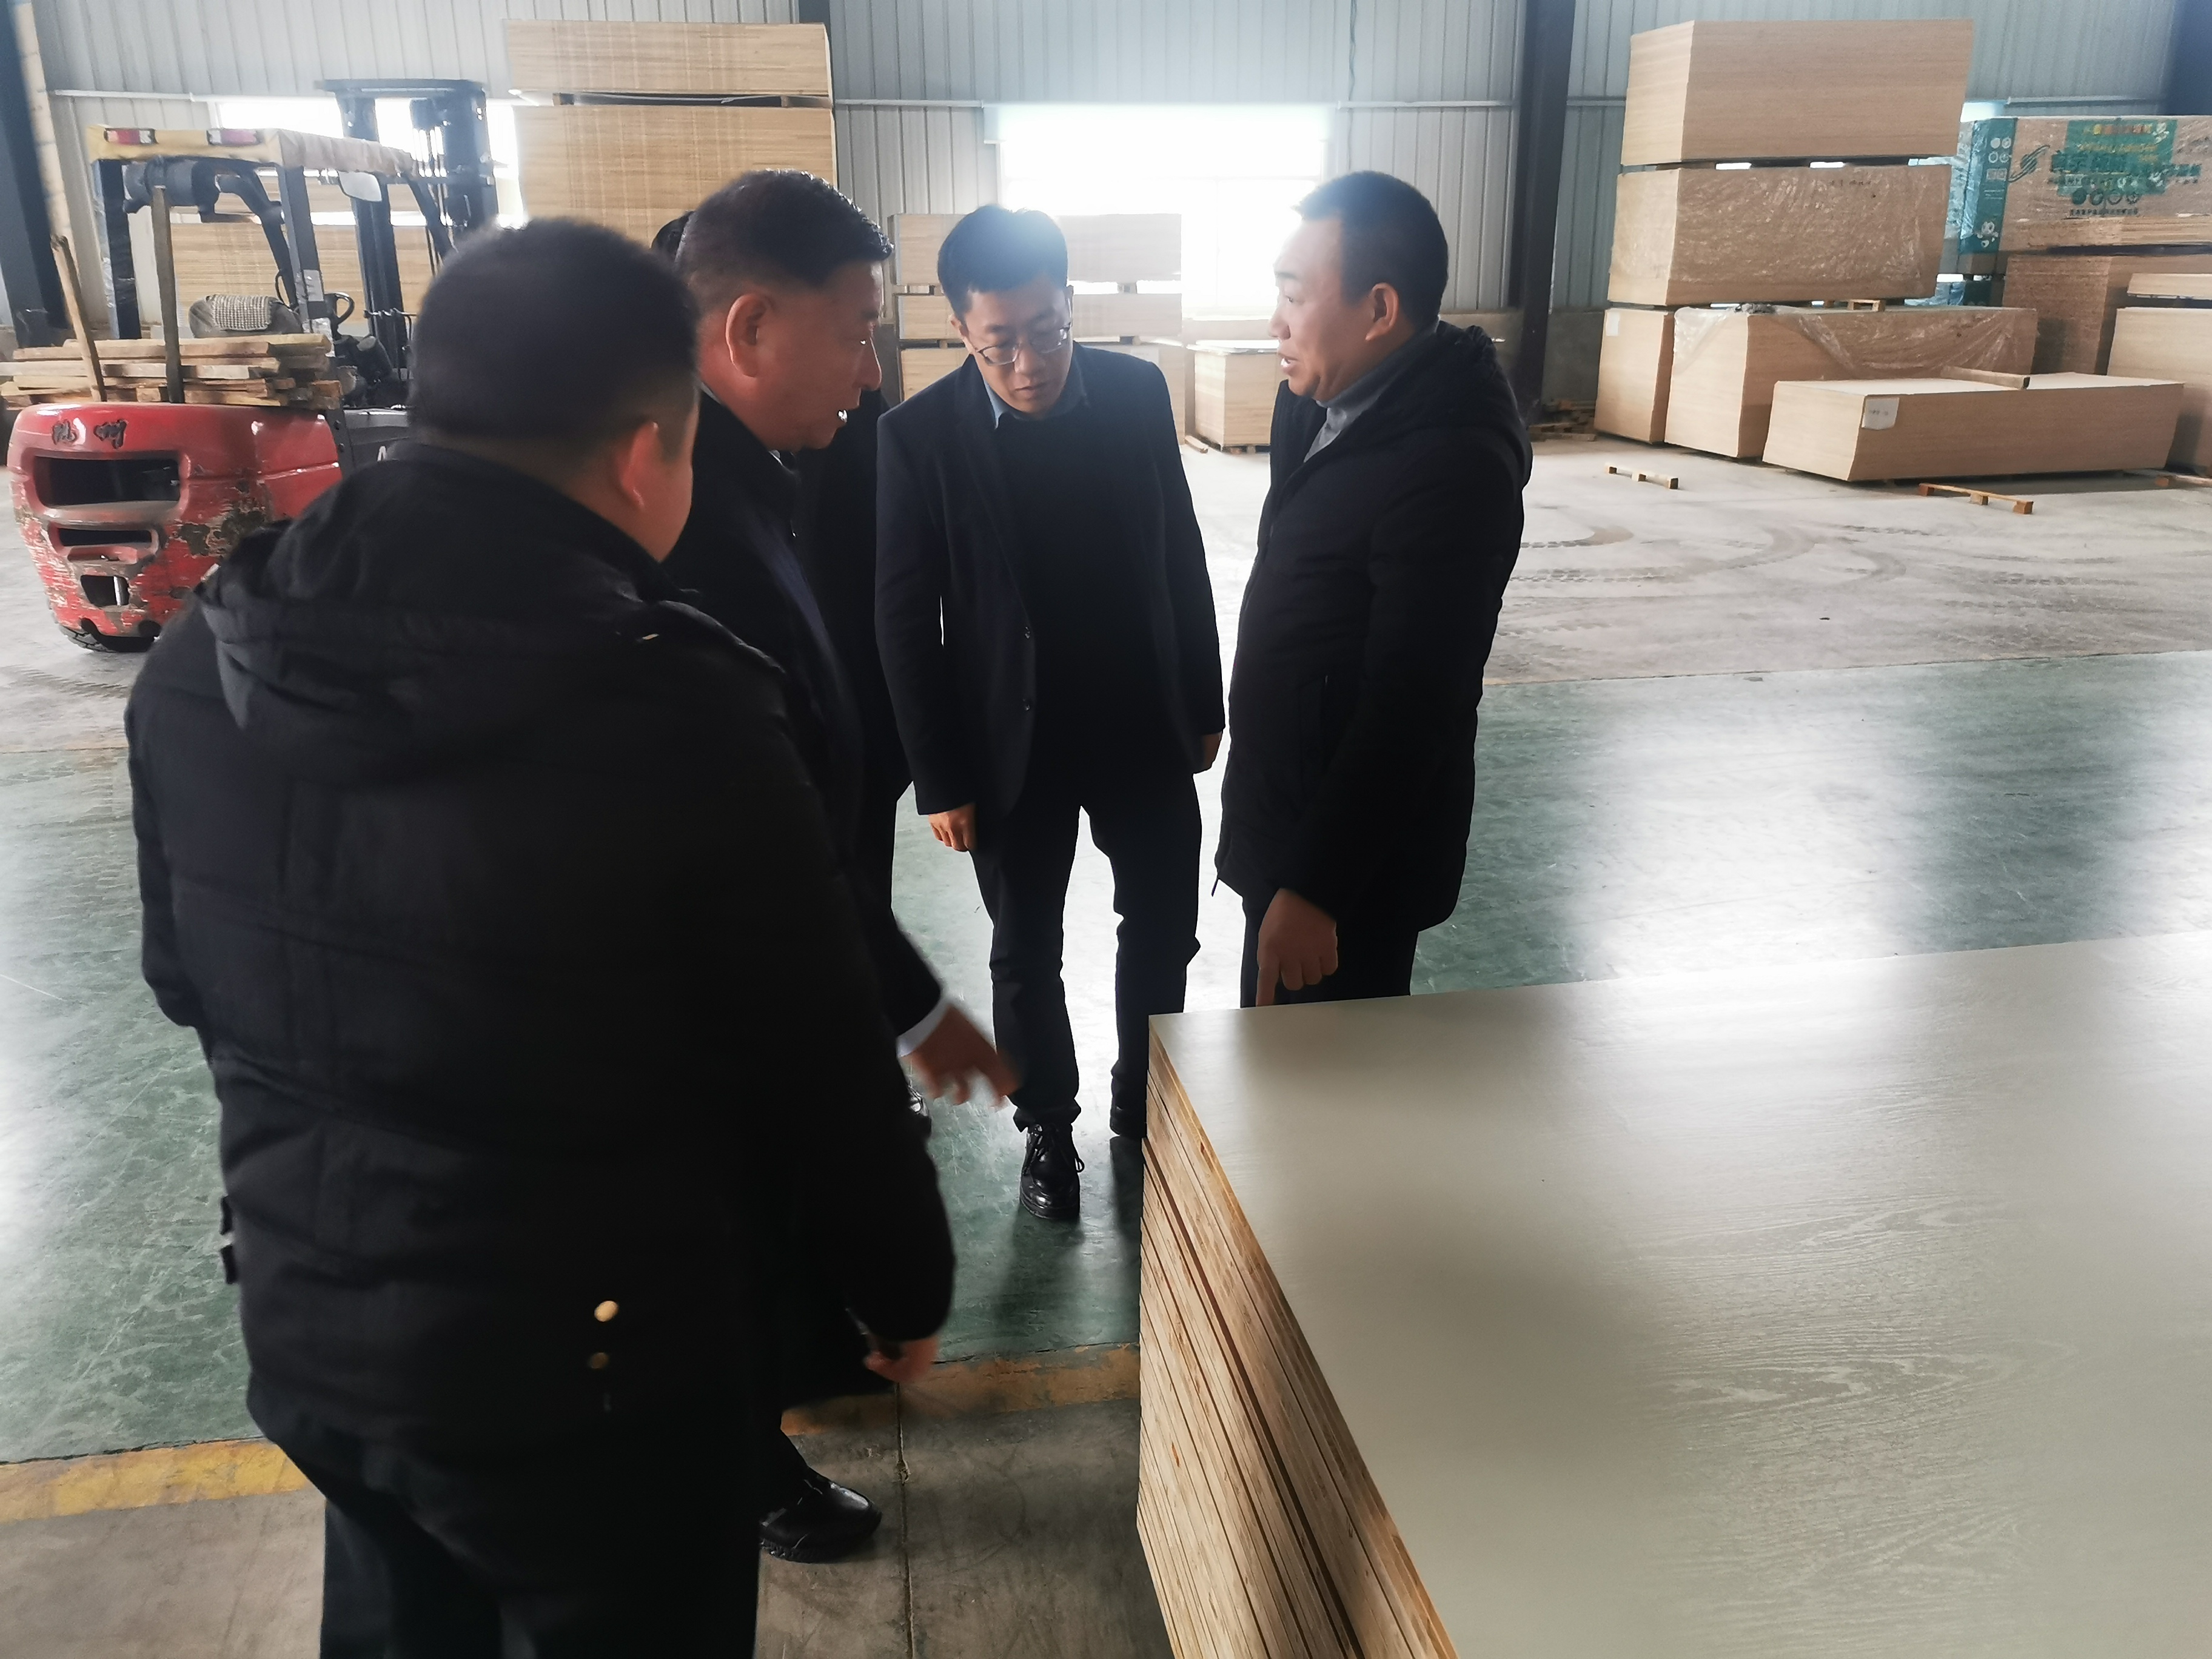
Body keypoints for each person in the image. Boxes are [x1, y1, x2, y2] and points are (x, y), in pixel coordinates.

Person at [124, 218, 952, 1654]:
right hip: (592, 1375)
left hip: (312, 1326)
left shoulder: (205, 656)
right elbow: (816, 1060)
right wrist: (898, 1284)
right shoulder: (675, 706)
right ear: (645, 452)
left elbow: (181, 979)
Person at [663, 173, 1014, 1557]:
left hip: (807, 906)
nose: (873, 371)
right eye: (858, 333)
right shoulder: (688, 521)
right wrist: (914, 1008)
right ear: (751, 329)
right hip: (732, 976)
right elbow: (767, 845)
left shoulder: (758, 475)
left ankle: (798, 1364)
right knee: (733, 1201)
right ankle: (746, 1461)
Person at [877, 206, 1223, 1221]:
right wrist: (938, 776)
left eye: (1047, 332)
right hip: (1007, 743)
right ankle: (1047, 1128)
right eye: (1000, 345)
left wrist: (1203, 698)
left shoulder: (1136, 393)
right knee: (1025, 949)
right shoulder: (917, 438)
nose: (1028, 365)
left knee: (1162, 926)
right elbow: (904, 618)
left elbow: (1180, 551)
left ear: (1069, 303)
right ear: (961, 329)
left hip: (1137, 720)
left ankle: (1145, 1098)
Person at [1219, 171, 1529, 1008]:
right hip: (1287, 814)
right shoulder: (1316, 401)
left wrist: (1317, 887)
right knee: (1273, 1061)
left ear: (1380, 309)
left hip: (1350, 875)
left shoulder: (1453, 467)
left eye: (1295, 295)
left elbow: (1416, 698)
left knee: (1319, 1075)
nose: (1276, 322)